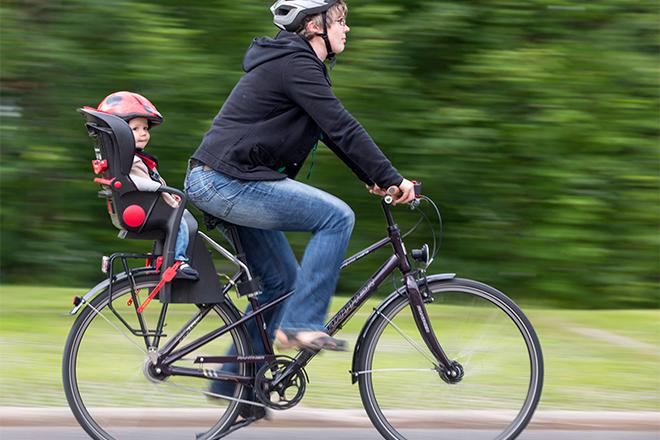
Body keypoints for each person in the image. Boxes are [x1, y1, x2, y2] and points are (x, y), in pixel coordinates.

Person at [185, 0, 414, 354]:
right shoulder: (296, 64)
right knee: (336, 217)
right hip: (225, 182)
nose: (346, 28)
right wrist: (392, 177)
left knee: (281, 284)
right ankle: (302, 324)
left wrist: (373, 177)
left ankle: (237, 384)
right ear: (312, 26)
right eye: (339, 20)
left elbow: (329, 131)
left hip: (225, 179)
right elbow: (342, 126)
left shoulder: (293, 64)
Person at [96, 91, 200, 280]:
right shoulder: (132, 160)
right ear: (121, 135)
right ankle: (178, 262)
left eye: (145, 128)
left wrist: (167, 193)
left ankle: (162, 259)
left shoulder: (132, 158)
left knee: (180, 216)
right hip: (146, 207)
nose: (143, 133)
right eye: (135, 129)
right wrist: (160, 189)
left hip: (149, 204)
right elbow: (137, 181)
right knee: (180, 224)